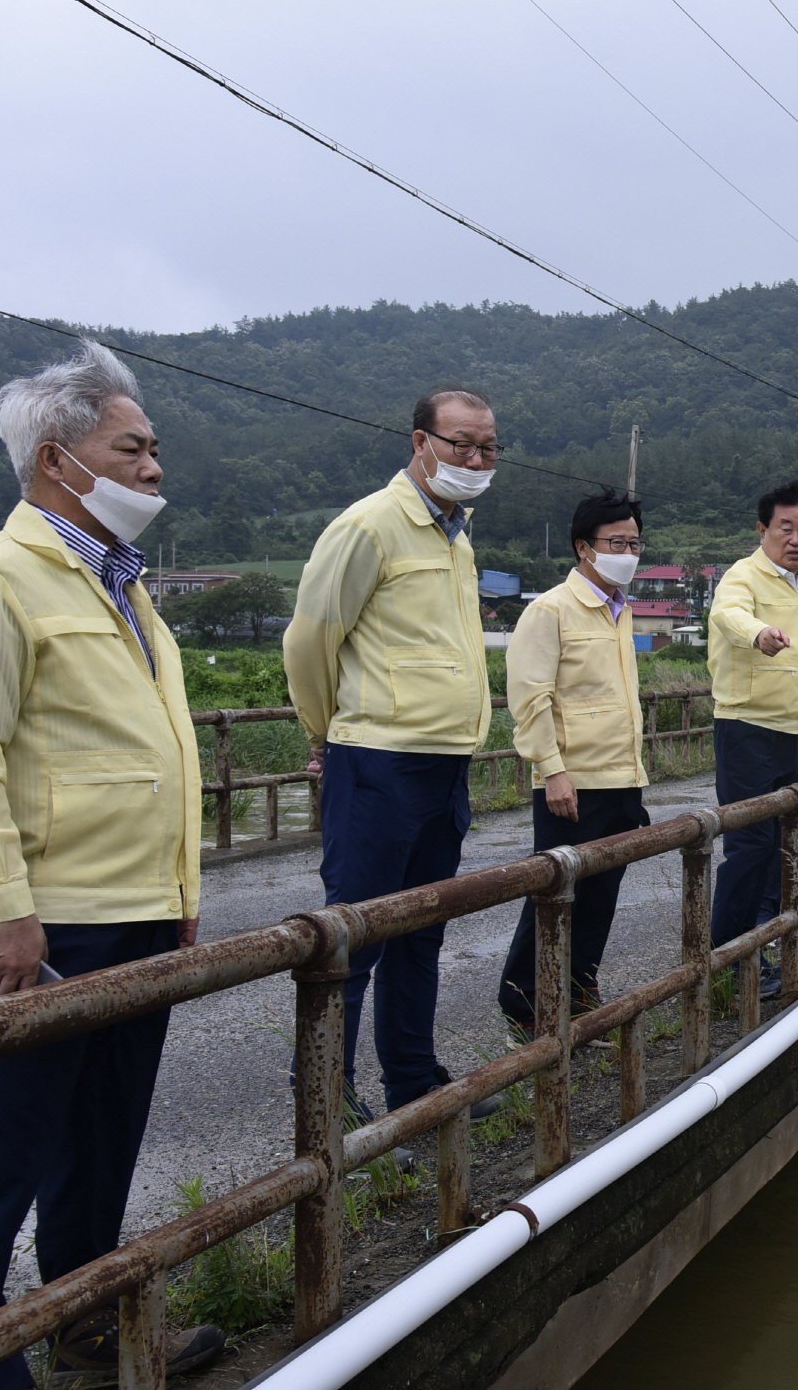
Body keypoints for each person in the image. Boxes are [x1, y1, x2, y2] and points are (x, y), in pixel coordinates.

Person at [0, 343, 225, 1384]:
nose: (153, 467)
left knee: (101, 1139)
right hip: (34, 923)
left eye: (152, 449)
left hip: (135, 911)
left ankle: (87, 1326)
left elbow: (158, 753)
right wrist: (2, 910)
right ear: (59, 460)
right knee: (5, 1149)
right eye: (132, 448)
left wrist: (179, 896)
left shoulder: (125, 586)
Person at [283, 385, 502, 1121]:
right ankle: (325, 1102)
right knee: (354, 936)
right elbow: (310, 639)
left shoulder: (456, 533)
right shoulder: (372, 526)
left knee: (422, 932)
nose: (474, 459)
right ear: (419, 443)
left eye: (487, 448)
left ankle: (413, 1082)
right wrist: (325, 732)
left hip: (446, 764)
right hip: (377, 760)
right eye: (460, 444)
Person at [497, 490, 651, 1036]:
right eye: (617, 542)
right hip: (573, 782)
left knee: (600, 898)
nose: (628, 552)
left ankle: (579, 995)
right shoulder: (550, 610)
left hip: (621, 777)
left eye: (634, 542)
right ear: (584, 547)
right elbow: (531, 698)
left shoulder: (621, 608)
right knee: (556, 893)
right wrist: (552, 770)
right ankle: (524, 1001)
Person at [706, 480, 798, 998]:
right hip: (747, 730)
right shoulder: (744, 576)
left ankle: (757, 947)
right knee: (749, 845)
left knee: (780, 847)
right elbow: (728, 615)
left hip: (793, 735)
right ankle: (727, 960)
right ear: (763, 529)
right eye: (785, 528)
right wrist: (758, 634)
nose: (796, 538)